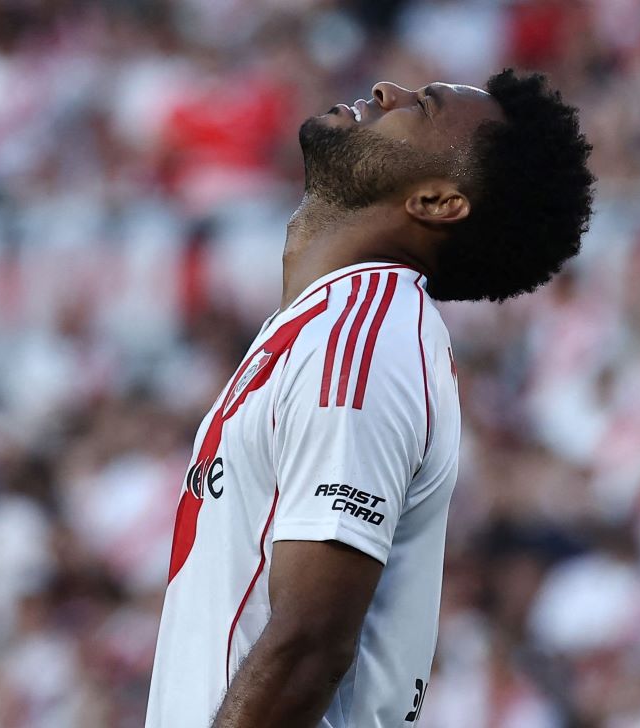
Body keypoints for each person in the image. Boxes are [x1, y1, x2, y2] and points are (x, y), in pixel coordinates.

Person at [145, 68, 594, 728]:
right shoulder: (333, 325)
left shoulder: (361, 336)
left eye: (426, 105)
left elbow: (310, 647)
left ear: (438, 200)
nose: (389, 91)